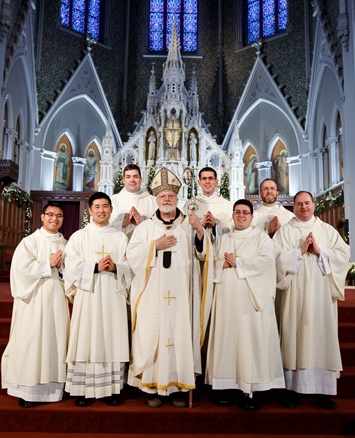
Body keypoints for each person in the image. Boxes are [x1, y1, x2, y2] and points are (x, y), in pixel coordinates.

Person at [126, 167, 214, 408]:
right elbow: (131, 256)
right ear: (156, 199)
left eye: (171, 196)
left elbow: (203, 256)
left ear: (178, 199)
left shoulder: (188, 225)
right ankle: (154, 388)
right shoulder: (145, 228)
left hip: (182, 297)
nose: (167, 199)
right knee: (152, 335)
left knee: (179, 336)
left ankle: (177, 387)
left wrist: (199, 232)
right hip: (152, 295)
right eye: (162, 196)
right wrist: (155, 246)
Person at [205, 199, 285, 411]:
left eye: (245, 212)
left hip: (252, 302)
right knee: (228, 340)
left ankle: (252, 389)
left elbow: (267, 265)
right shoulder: (222, 239)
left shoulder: (262, 239)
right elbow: (211, 263)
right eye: (237, 212)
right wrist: (222, 263)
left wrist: (238, 263)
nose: (241, 215)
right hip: (226, 300)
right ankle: (227, 386)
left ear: (251, 216)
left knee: (251, 342)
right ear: (232, 215)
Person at [273, 191, 350, 410]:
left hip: (321, 296)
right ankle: (291, 390)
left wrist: (320, 251)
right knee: (292, 336)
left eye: (307, 203)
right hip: (294, 296)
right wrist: (298, 252)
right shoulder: (285, 231)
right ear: (294, 207)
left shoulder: (326, 230)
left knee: (321, 337)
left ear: (314, 205)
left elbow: (343, 254)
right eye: (299, 204)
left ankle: (322, 392)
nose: (303, 207)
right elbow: (275, 258)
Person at [64, 192, 131, 407]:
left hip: (113, 296)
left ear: (111, 209)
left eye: (105, 206)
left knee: (111, 337)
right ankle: (83, 388)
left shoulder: (120, 237)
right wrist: (94, 267)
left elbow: (130, 265)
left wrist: (115, 267)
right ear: (90, 211)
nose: (101, 210)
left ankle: (111, 389)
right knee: (87, 336)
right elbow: (70, 266)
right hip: (88, 297)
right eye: (97, 207)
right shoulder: (79, 237)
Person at [1, 202, 69, 408]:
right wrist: (47, 264)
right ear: (42, 217)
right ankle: (28, 391)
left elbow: (72, 272)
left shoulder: (66, 244)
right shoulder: (29, 242)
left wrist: (62, 267)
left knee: (54, 340)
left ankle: (54, 390)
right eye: (50, 215)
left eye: (59, 216)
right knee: (31, 341)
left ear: (63, 219)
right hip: (33, 301)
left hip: (57, 299)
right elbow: (20, 272)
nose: (54, 219)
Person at [183, 167, 234, 243]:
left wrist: (216, 225)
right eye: (204, 178)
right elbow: (184, 229)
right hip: (197, 252)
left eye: (210, 178)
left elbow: (233, 230)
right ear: (199, 182)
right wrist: (200, 225)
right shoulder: (190, 205)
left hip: (220, 251)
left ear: (216, 182)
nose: (207, 181)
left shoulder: (228, 206)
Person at [110, 164, 157, 238]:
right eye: (128, 177)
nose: (132, 180)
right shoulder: (113, 201)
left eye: (135, 177)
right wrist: (122, 224)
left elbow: (158, 227)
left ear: (141, 179)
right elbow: (105, 225)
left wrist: (141, 222)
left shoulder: (153, 201)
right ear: (123, 180)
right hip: (119, 245)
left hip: (143, 245)